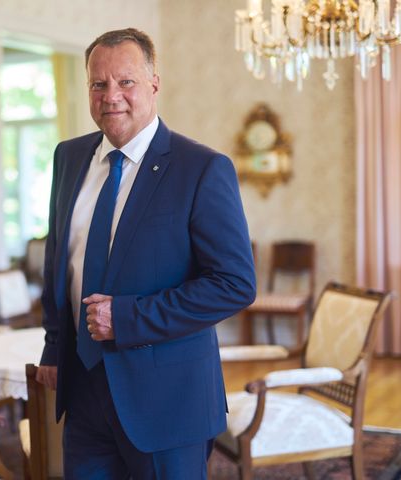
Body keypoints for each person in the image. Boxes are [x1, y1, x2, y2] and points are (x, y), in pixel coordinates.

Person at [36, 28, 256, 479]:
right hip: (82, 392)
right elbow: (59, 259)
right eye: (99, 84)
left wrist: (128, 318)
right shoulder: (68, 158)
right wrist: (54, 348)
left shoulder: (202, 168)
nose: (111, 95)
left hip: (168, 401)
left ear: (154, 84)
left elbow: (235, 285)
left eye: (126, 82)